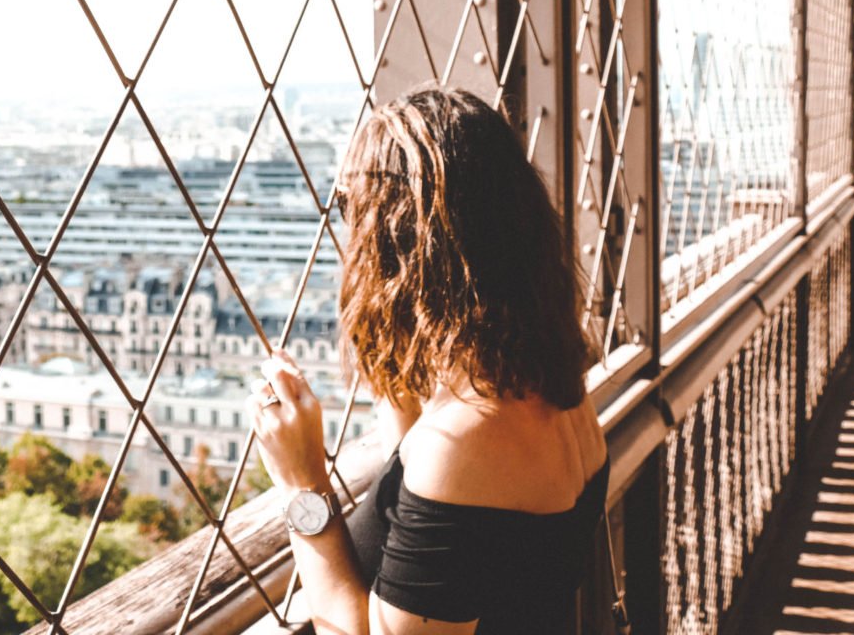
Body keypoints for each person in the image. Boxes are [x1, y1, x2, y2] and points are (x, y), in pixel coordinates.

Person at [248, 85, 609, 635]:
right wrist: (400, 365)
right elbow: (458, 544)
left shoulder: (468, 439)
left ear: (399, 240)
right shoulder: (551, 385)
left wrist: (303, 483)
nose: (345, 227)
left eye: (348, 205)